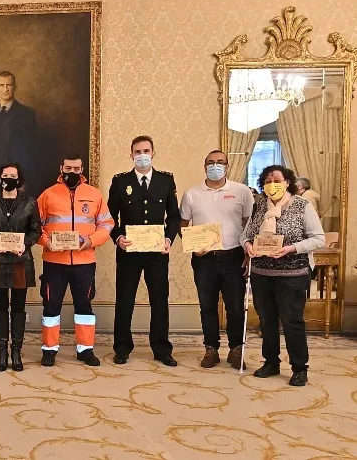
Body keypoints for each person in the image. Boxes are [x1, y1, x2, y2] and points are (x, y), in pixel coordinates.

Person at [241, 165, 324, 387]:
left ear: (287, 182)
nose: (272, 184)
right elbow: (245, 235)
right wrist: (248, 245)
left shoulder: (302, 206)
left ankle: (299, 367)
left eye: (276, 179)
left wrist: (291, 248)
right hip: (261, 274)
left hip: (293, 274)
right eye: (267, 181)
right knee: (267, 320)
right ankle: (271, 362)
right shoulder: (259, 206)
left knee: (292, 321)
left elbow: (318, 238)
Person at [108, 135, 181, 366]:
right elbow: (109, 218)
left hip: (157, 254)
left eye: (146, 150)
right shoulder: (120, 182)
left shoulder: (166, 181)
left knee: (159, 300)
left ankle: (161, 348)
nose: (142, 155)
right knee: (125, 299)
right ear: (131, 155)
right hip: (128, 252)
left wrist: (169, 239)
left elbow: (175, 217)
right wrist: (117, 237)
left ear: (153, 153)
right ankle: (122, 347)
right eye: (137, 151)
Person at [179, 150, 254, 369]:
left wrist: (248, 254)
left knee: (235, 307)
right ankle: (211, 348)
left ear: (227, 166)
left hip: (234, 257)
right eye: (211, 162)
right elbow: (182, 226)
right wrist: (193, 247)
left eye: (220, 162)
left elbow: (250, 225)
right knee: (207, 307)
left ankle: (236, 349)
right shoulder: (192, 193)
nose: (215, 166)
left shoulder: (241, 191)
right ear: (204, 166)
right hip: (204, 261)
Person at [37, 154, 113, 368]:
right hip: (54, 262)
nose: (72, 172)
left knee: (84, 306)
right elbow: (35, 226)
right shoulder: (47, 195)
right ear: (61, 168)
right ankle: (49, 350)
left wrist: (90, 241)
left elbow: (107, 224)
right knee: (51, 306)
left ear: (82, 169)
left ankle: (85, 349)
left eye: (76, 168)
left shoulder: (94, 194)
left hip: (84, 261)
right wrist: (46, 242)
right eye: (68, 167)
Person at [0, 163, 41, 372]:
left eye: (13, 175)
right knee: (0, 307)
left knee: (18, 307)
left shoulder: (30, 202)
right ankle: (2, 352)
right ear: (0, 178)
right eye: (6, 175)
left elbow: (36, 231)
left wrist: (26, 244)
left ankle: (16, 351)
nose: (9, 178)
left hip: (20, 261)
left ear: (19, 179)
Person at [0, 71, 40, 195]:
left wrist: (24, 180)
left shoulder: (27, 114)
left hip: (17, 177)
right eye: (1, 85)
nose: (5, 89)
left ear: (15, 87)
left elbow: (32, 151)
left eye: (9, 85)